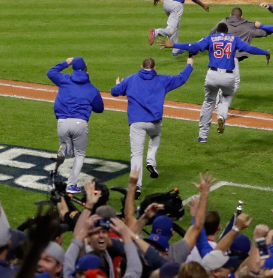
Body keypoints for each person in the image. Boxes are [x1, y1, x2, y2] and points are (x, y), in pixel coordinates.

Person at [174, 23, 269, 142]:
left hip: (212, 75)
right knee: (226, 97)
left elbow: (194, 47)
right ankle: (221, 116)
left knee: (208, 102)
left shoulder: (211, 38)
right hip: (228, 76)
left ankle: (203, 136)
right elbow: (249, 49)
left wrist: (173, 44)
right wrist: (265, 52)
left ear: (217, 31)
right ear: (227, 31)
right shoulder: (234, 39)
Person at [110, 56, 193, 188]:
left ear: (141, 67)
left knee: (136, 155)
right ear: (154, 68)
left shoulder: (131, 79)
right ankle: (151, 160)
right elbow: (181, 78)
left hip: (136, 123)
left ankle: (136, 186)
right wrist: (189, 65)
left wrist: (118, 84)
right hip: (154, 123)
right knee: (155, 136)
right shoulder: (162, 80)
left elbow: (114, 92)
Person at [46, 57, 104, 194]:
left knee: (69, 150)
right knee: (79, 154)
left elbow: (50, 72)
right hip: (80, 123)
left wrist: (66, 62)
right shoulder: (91, 88)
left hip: (62, 122)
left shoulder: (64, 80)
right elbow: (100, 108)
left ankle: (64, 150)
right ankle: (71, 185)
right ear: (86, 70)